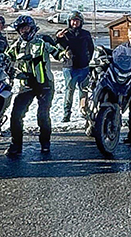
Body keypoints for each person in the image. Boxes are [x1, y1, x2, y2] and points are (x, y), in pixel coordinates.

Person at [5, 15, 62, 156]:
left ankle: (45, 143)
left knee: (42, 114)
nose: (24, 31)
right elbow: (5, 58)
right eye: (21, 29)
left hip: (45, 85)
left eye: (26, 27)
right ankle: (16, 145)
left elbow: (57, 52)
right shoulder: (17, 46)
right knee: (16, 115)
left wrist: (64, 54)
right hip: (26, 85)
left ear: (32, 27)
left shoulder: (42, 43)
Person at [55, 10, 94, 122]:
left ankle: (84, 111)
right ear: (69, 22)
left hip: (83, 67)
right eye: (73, 21)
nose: (75, 23)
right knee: (69, 91)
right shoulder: (65, 33)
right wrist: (58, 37)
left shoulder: (86, 34)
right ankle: (67, 114)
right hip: (69, 67)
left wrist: (87, 60)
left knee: (84, 90)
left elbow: (90, 48)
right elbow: (55, 44)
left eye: (77, 21)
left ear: (81, 22)